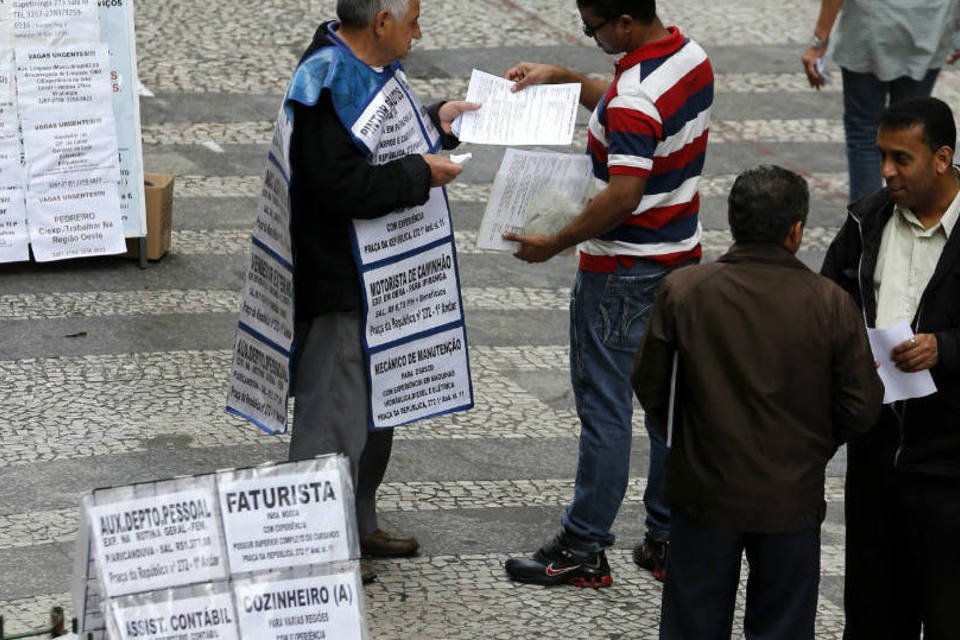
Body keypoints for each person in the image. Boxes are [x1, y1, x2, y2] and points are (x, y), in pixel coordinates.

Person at [502, 0, 713, 587]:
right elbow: (631, 109)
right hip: (678, 262)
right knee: (666, 410)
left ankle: (584, 545)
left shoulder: (633, 98)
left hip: (621, 272)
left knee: (605, 411)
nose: (588, 34)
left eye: (593, 26)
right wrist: (566, 79)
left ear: (625, 23)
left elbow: (623, 192)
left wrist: (554, 242)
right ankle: (667, 537)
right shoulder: (688, 58)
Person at [634, 165, 882, 639]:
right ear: (796, 231)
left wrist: (691, 438)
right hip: (790, 500)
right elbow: (861, 407)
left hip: (704, 494)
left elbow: (652, 386)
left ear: (732, 222)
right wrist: (812, 447)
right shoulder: (830, 304)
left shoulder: (685, 291)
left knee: (693, 623)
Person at [283, 0, 478, 581]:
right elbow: (339, 186)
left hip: (383, 281)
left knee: (378, 409)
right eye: (413, 21)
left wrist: (436, 119)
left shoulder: (367, 68)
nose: (419, 32)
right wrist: (421, 173)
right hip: (341, 281)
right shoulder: (322, 81)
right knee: (334, 418)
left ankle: (360, 521)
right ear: (380, 23)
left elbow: (378, 137)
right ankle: (318, 547)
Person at [821, 97, 960, 639]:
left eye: (901, 158)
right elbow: (829, 299)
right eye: (882, 155)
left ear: (942, 158)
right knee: (876, 616)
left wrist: (945, 348)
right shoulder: (866, 220)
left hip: (950, 469)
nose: (886, 171)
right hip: (877, 459)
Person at [800, 0, 960, 202]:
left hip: (872, 21)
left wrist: (818, 41)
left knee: (864, 131)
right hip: (929, 22)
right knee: (910, 133)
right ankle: (906, 219)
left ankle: (867, 225)